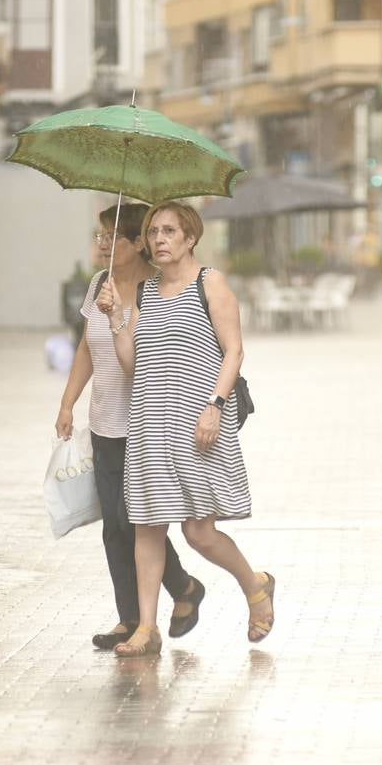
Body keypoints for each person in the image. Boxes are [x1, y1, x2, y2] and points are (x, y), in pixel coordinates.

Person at [99, 202, 274, 657]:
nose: (159, 239)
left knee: (199, 532)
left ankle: (253, 586)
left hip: (198, 422)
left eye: (169, 231)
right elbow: (134, 365)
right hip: (150, 423)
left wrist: (215, 405)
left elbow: (234, 351)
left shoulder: (209, 283)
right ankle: (146, 629)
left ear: (190, 237)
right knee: (148, 527)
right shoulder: (145, 290)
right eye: (154, 232)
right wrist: (117, 318)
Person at [55, 203, 205, 651]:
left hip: (144, 424)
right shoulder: (100, 283)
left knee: (134, 521)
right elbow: (86, 346)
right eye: (99, 235)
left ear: (138, 242)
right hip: (104, 423)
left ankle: (174, 595)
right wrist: (68, 404)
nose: (102, 244)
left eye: (112, 236)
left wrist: (122, 315)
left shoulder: (154, 289)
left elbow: (148, 362)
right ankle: (135, 616)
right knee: (114, 527)